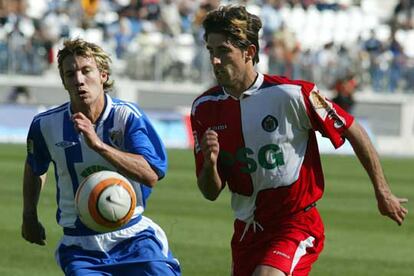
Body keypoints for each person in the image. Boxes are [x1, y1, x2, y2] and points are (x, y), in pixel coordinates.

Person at [190, 5, 408, 276]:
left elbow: (353, 130)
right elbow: (210, 192)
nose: (215, 61)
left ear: (249, 52)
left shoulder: (293, 94)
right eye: (211, 51)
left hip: (295, 224)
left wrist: (382, 191)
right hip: (247, 230)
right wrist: (211, 164)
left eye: (223, 51)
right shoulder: (204, 109)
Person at [21, 38, 181, 275]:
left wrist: (99, 145)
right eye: (70, 74)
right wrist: (29, 216)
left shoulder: (126, 117)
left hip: (133, 237)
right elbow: (36, 166)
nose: (79, 80)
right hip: (80, 246)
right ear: (64, 82)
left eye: (86, 71)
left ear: (103, 75)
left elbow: (150, 174)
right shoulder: (45, 125)